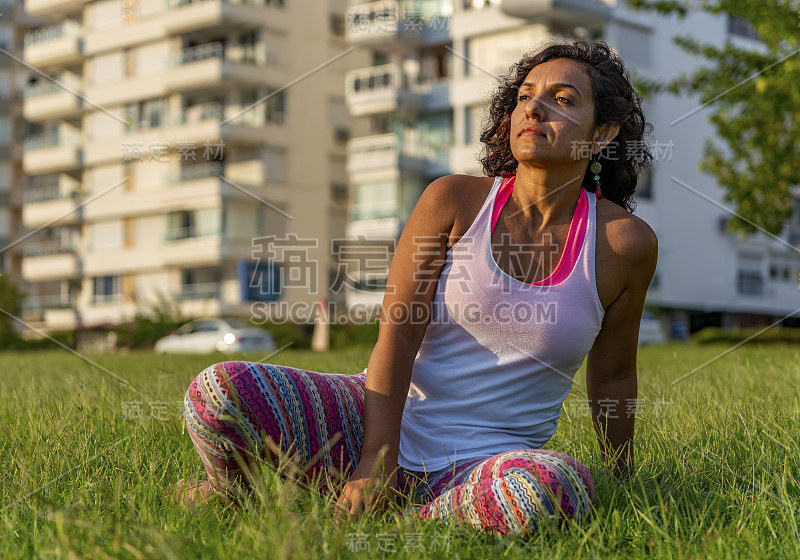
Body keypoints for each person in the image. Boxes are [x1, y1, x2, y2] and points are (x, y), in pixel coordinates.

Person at [174, 39, 658, 536]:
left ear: (601, 135)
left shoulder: (624, 244)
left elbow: (614, 377)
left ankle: (410, 522)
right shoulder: (453, 199)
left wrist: (622, 479)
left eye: (563, 99)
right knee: (217, 391)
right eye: (525, 96)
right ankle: (235, 492)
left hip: (482, 467)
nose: (533, 107)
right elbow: (398, 333)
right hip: (374, 423)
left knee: (552, 486)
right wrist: (376, 460)